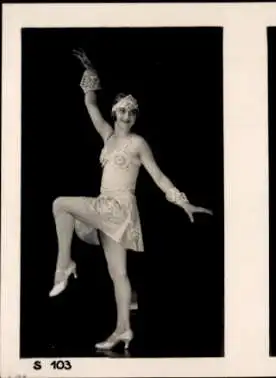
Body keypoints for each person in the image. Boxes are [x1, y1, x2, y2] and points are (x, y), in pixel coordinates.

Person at [49, 49, 213, 350]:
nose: (126, 116)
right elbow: (89, 103)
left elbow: (159, 176)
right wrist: (91, 72)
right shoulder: (107, 136)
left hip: (119, 208)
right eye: (122, 110)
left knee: (61, 204)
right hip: (106, 206)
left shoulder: (138, 143)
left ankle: (64, 265)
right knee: (118, 273)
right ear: (115, 112)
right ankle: (124, 329)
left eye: (132, 111)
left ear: (136, 115)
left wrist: (182, 201)